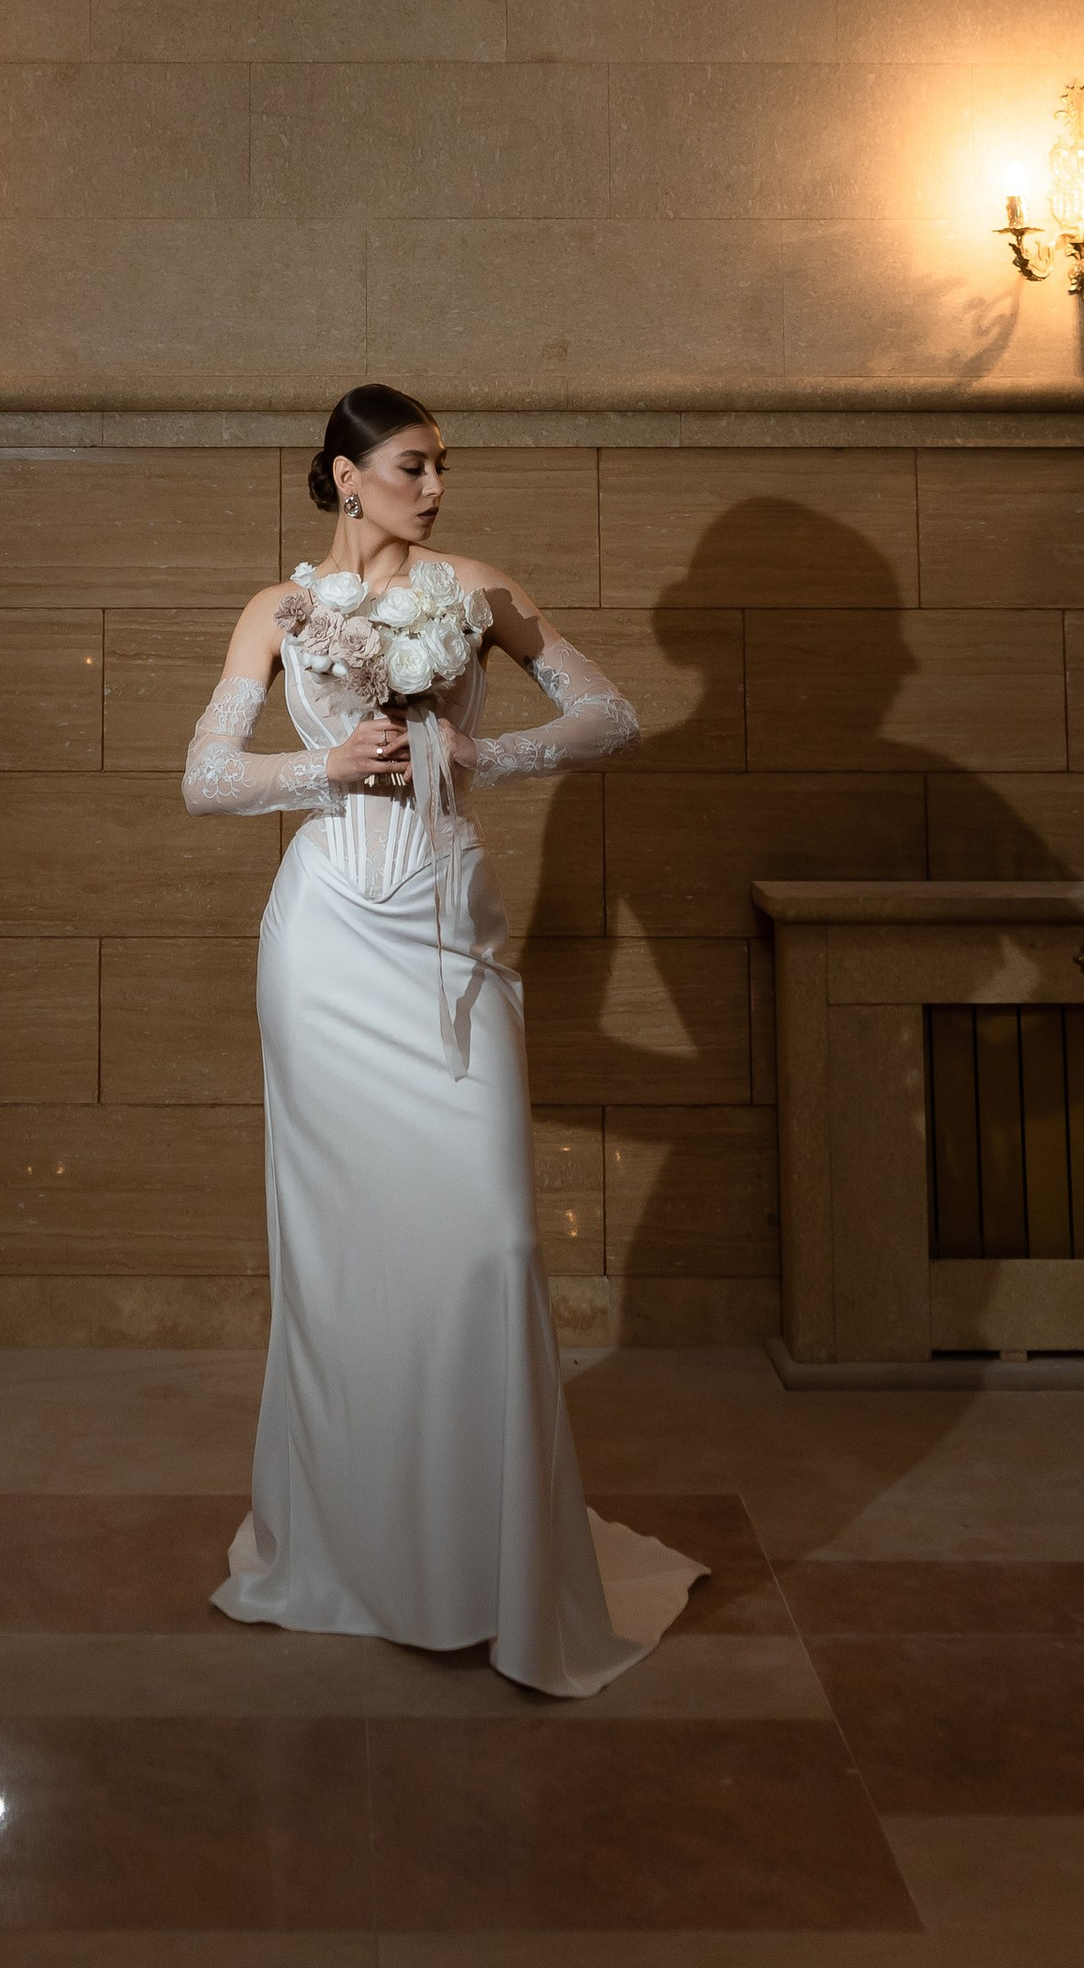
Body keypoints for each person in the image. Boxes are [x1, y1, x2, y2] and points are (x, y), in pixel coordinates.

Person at [182, 380, 704, 1696]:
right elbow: (202, 779)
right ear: (345, 476)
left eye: (442, 466)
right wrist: (325, 767)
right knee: (342, 1253)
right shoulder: (280, 612)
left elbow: (615, 715)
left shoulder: (478, 589)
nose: (435, 486)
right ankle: (353, 1546)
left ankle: (491, 1565)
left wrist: (491, 760)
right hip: (323, 949)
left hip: (441, 934)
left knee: (487, 1241)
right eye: (412, 465)